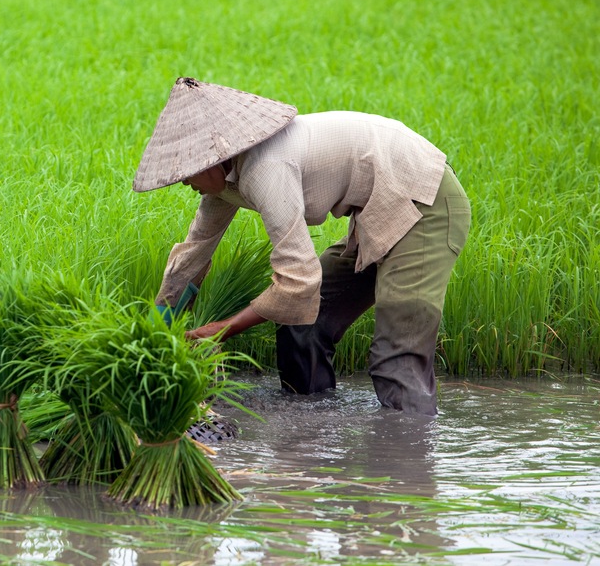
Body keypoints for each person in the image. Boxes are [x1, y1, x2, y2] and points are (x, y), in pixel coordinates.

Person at [134, 77, 471, 415]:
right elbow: (194, 254)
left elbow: (298, 281)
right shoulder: (222, 182)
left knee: (396, 357)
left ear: (212, 158)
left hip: (424, 202)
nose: (183, 182)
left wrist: (220, 330)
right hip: (380, 210)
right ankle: (312, 427)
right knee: (305, 322)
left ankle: (408, 452)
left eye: (186, 172)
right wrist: (157, 330)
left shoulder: (266, 169)